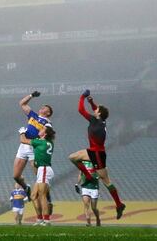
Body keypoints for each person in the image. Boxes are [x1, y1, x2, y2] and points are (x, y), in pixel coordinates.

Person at [68, 90, 125, 219]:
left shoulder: (94, 120)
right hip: (94, 151)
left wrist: (82, 97)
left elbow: (80, 110)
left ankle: (119, 204)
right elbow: (96, 109)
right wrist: (92, 102)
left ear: (98, 113)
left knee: (106, 181)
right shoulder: (102, 121)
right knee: (72, 157)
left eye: (96, 109)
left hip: (97, 153)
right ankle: (119, 204)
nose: (94, 109)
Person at [13, 91, 53, 198]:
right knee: (16, 176)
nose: (42, 108)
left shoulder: (47, 123)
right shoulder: (33, 115)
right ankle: (26, 188)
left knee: (39, 177)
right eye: (42, 106)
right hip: (23, 146)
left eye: (45, 108)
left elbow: (47, 135)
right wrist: (31, 95)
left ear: (48, 113)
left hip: (34, 147)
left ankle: (47, 196)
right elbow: (22, 103)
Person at [18, 125, 55, 226]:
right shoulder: (49, 142)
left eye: (42, 129)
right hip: (43, 169)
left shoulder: (40, 142)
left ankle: (46, 220)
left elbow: (23, 140)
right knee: (33, 196)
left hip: (44, 169)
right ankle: (39, 219)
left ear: (45, 133)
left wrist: (22, 132)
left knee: (42, 196)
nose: (40, 129)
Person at [74, 160, 101, 226]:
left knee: (94, 207)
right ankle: (88, 222)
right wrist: (77, 184)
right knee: (86, 204)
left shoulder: (96, 162)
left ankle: (98, 218)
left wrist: (97, 177)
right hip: (85, 186)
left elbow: (101, 172)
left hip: (94, 187)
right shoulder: (83, 162)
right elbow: (80, 174)